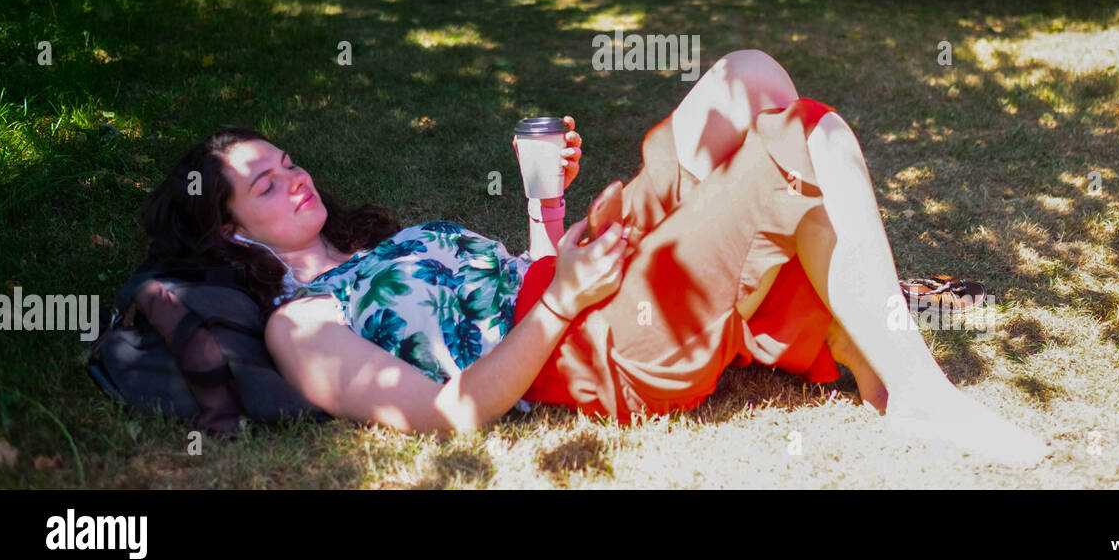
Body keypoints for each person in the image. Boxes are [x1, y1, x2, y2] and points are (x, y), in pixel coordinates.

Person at [139, 49, 1052, 467]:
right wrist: (560, 303)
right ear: (229, 231)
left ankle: (864, 342)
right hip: (591, 347)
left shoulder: (393, 243)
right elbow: (452, 412)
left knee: (750, 76)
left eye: (289, 162)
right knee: (804, 133)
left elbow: (527, 274)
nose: (294, 180)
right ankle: (916, 393)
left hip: (581, 285)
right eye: (264, 186)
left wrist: (549, 209)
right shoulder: (304, 324)